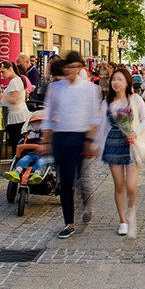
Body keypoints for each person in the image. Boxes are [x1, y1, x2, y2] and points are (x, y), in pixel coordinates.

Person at [41, 52, 101, 239]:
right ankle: (69, 222)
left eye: (76, 67)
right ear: (65, 68)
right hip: (60, 137)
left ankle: (86, 202)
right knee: (65, 182)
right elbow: (49, 113)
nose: (72, 71)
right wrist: (45, 140)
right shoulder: (55, 88)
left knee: (81, 177)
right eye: (69, 67)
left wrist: (90, 141)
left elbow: (93, 116)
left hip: (80, 137)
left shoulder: (89, 89)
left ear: (80, 68)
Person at [95, 68, 145, 237]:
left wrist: (135, 132)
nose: (116, 82)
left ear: (127, 82)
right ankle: (123, 220)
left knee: (131, 186)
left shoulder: (136, 99)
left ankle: (132, 209)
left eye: (119, 79)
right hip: (113, 145)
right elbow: (102, 126)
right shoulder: (107, 102)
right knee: (119, 185)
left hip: (132, 144)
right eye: (114, 80)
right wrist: (97, 146)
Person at [3, 111, 49, 185]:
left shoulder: (47, 137)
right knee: (23, 160)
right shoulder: (28, 136)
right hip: (29, 154)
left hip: (42, 156)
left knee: (41, 162)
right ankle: (16, 172)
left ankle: (37, 174)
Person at [0, 61, 31, 156]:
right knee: (16, 142)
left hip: (16, 117)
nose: (1, 75)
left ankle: (17, 163)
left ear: (10, 69)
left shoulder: (15, 81)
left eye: (3, 72)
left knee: (16, 143)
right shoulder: (17, 80)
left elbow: (14, 99)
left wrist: (1, 96)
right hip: (16, 116)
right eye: (0, 72)